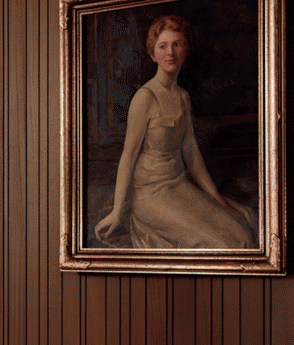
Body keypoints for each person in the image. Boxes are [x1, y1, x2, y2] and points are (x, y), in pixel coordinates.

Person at [94, 15, 256, 249]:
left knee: (241, 230)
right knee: (223, 242)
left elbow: (191, 152)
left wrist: (216, 197)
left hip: (179, 187)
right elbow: (128, 157)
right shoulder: (145, 97)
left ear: (185, 51)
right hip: (151, 197)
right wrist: (117, 212)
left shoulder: (182, 97)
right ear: (153, 54)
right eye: (163, 46)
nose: (170, 52)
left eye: (177, 44)